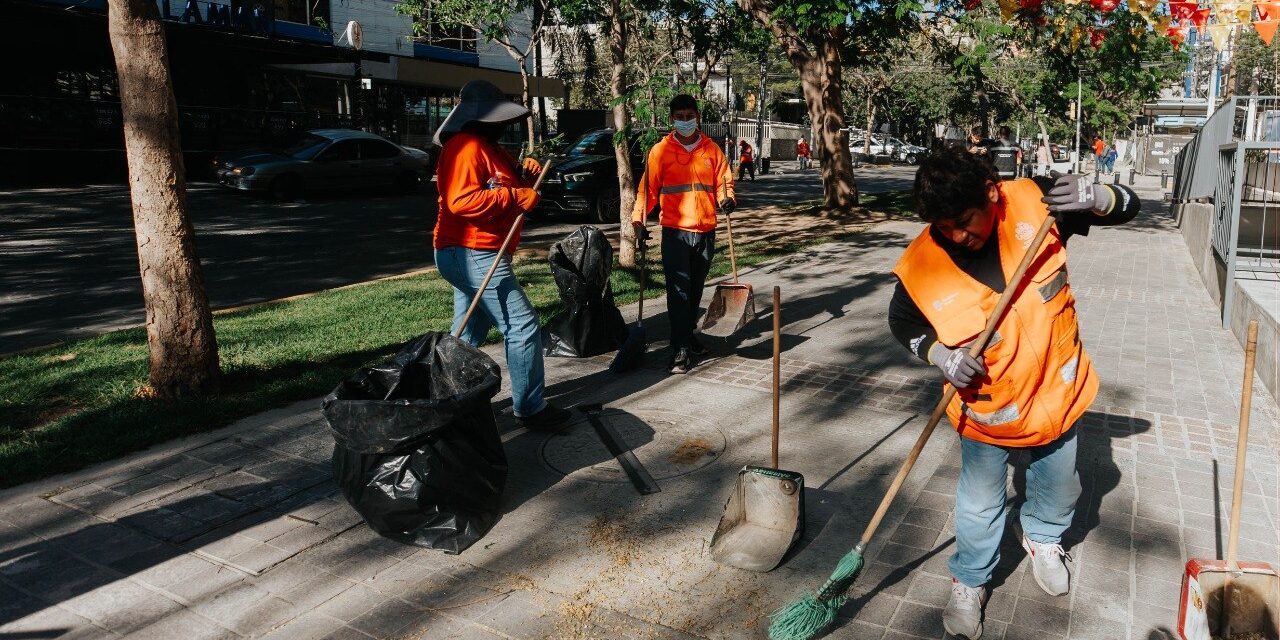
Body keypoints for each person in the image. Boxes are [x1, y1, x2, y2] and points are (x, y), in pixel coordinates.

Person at [887, 147, 1141, 639]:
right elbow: (903, 323)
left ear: (991, 192)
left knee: (1060, 484)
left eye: (964, 220)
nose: (957, 235)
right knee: (981, 504)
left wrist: (1100, 197)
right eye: (943, 225)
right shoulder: (920, 266)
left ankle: (1044, 540)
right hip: (991, 413)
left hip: (1057, 393)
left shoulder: (1036, 204)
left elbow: (1130, 207)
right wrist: (939, 354)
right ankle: (970, 580)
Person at [432, 80, 570, 431]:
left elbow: (505, 188)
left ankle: (448, 401)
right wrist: (514, 197)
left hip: (478, 253)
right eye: (499, 118)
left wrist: (525, 177)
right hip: (470, 251)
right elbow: (460, 201)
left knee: (468, 333)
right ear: (481, 118)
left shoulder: (491, 149)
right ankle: (530, 409)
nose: (505, 124)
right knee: (522, 327)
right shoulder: (465, 147)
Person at [632, 94, 736, 374]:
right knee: (678, 292)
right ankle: (679, 348)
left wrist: (727, 198)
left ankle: (687, 335)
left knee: (694, 290)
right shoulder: (660, 152)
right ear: (672, 119)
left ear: (698, 117)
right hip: (675, 233)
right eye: (680, 116)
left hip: (706, 231)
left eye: (690, 116)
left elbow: (724, 180)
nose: (685, 121)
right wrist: (638, 220)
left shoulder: (711, 150)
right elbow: (648, 190)